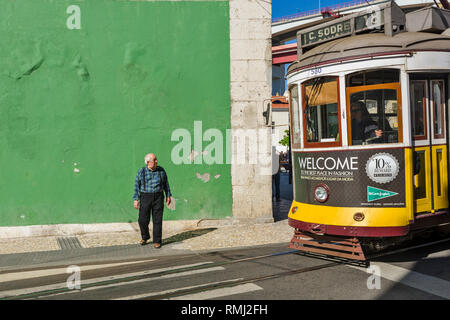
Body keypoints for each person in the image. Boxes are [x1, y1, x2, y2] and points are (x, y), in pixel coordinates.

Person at [133, 153, 172, 248]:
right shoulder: (141, 172)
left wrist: (168, 195)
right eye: (154, 160)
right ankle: (145, 236)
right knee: (142, 219)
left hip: (158, 197)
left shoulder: (161, 171)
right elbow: (136, 186)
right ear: (147, 162)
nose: (156, 161)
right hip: (145, 196)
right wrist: (136, 199)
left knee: (157, 220)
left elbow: (166, 184)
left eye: (156, 159)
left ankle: (157, 241)